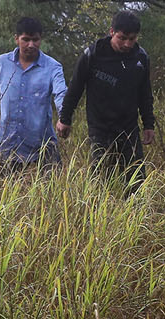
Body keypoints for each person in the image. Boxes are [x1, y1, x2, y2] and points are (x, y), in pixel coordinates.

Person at [57, 10, 156, 190]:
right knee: (100, 178)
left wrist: (148, 124)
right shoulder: (93, 54)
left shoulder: (141, 57)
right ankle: (97, 213)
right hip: (100, 127)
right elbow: (75, 87)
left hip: (129, 127)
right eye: (122, 38)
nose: (127, 44)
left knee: (136, 179)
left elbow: (145, 93)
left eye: (132, 39)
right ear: (112, 32)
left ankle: (135, 214)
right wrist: (65, 118)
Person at [0, 17, 67, 170]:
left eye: (35, 40)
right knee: (3, 189)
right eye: (26, 39)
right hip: (8, 143)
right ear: (16, 39)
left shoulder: (53, 67)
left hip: (42, 145)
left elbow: (61, 94)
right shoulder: (2, 63)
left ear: (40, 40)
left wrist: (64, 117)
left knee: (51, 190)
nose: (31, 45)